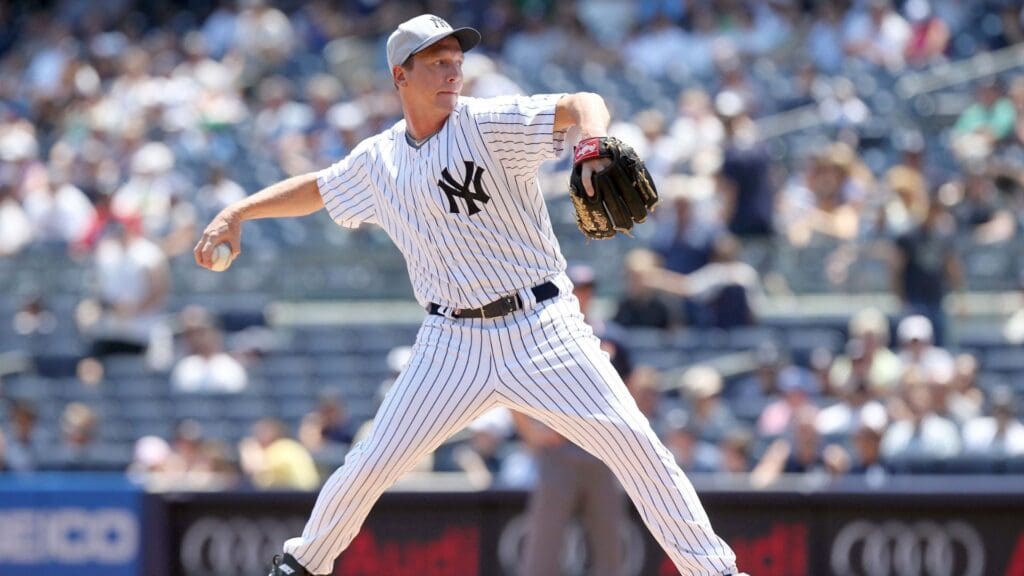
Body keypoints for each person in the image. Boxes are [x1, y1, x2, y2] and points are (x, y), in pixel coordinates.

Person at [194, 15, 740, 576]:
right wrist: (238, 212)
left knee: (637, 448)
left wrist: (595, 144)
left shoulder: (486, 123)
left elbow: (582, 101)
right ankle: (303, 564)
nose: (454, 72)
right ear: (400, 76)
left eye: (457, 60)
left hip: (542, 327)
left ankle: (716, 572)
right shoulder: (378, 160)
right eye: (437, 62)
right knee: (372, 461)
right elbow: (318, 188)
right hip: (450, 340)